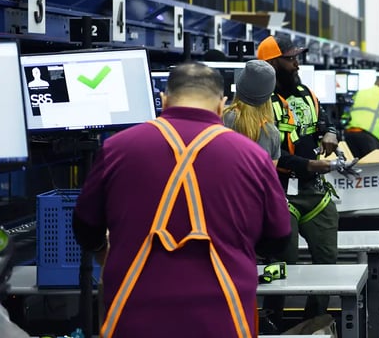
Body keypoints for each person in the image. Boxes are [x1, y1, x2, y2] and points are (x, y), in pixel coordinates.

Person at [73, 62, 291, 338]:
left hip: (135, 317)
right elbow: (279, 236)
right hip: (224, 317)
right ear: (221, 104)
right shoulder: (253, 156)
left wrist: (105, 252)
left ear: (164, 100)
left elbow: (85, 226)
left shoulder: (116, 149)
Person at [256, 35, 341, 326]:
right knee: (281, 268)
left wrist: (331, 132)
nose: (296, 65)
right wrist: (309, 165)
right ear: (271, 65)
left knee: (327, 264)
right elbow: (267, 155)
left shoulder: (306, 94)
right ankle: (274, 324)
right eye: (290, 59)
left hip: (315, 193)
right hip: (281, 195)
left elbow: (325, 122)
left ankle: (314, 323)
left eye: (296, 59)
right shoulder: (260, 105)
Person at [223, 60, 281, 163]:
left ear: (239, 86)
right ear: (268, 95)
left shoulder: (220, 120)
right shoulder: (272, 134)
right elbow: (268, 177)